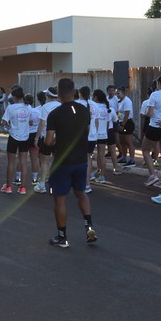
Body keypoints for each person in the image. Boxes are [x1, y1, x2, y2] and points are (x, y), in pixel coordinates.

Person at [44, 78, 96, 248]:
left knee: (60, 199)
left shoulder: (54, 114)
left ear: (58, 93)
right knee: (81, 193)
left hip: (62, 162)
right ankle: (89, 226)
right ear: (74, 92)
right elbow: (86, 132)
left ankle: (62, 237)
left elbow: (49, 141)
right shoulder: (84, 110)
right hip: (81, 160)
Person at [0, 86, 30, 195]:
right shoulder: (29, 107)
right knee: (23, 162)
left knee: (11, 162)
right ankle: (22, 188)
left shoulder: (11, 108)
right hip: (25, 137)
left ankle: (8, 187)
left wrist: (7, 124)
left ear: (14, 96)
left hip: (13, 136)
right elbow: (31, 122)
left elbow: (3, 122)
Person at [34, 88, 61, 193]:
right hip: (59, 137)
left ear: (48, 96)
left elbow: (41, 124)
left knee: (44, 161)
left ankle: (42, 185)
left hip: (46, 136)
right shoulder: (61, 106)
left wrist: (36, 137)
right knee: (56, 160)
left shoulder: (45, 107)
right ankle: (55, 184)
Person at [116, 86, 136, 168]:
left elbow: (127, 114)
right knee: (122, 142)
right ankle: (124, 157)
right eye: (117, 93)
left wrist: (123, 124)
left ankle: (132, 159)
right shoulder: (119, 101)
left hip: (127, 123)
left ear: (123, 93)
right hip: (121, 122)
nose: (117, 95)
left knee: (129, 142)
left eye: (118, 93)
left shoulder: (127, 101)